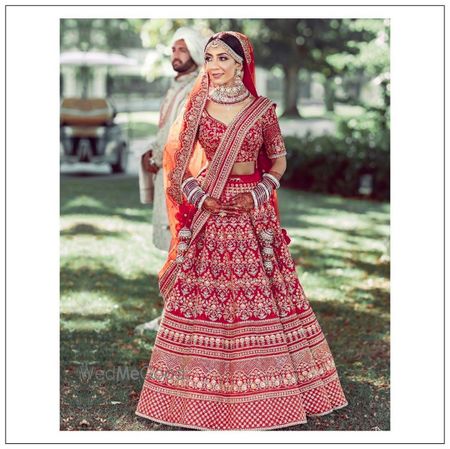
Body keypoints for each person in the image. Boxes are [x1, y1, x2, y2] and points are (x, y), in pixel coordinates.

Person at [135, 31, 348, 431]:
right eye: (210, 58)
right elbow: (180, 169)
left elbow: (279, 163)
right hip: (212, 211)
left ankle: (272, 392)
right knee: (208, 300)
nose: (213, 67)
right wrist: (202, 199)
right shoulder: (198, 106)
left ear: (241, 64)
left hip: (253, 213)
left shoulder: (263, 109)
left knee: (264, 297)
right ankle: (194, 395)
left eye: (222, 59)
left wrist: (259, 193)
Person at [135, 27, 210, 335]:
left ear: (194, 53)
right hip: (168, 172)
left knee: (181, 246)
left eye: (181, 50)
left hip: (184, 178)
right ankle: (173, 315)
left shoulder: (197, 88)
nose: (175, 55)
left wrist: (155, 157)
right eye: (173, 50)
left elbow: (180, 136)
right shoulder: (178, 85)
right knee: (173, 247)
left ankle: (176, 320)